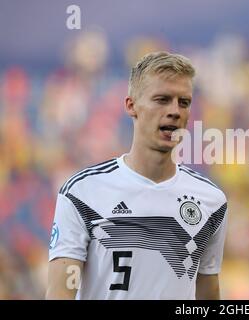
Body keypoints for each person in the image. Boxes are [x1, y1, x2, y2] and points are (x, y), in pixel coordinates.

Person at [46, 52, 228, 300]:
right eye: (162, 99)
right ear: (131, 106)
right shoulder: (82, 193)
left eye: (183, 102)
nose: (175, 111)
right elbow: (59, 294)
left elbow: (207, 294)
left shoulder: (211, 201)